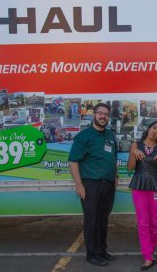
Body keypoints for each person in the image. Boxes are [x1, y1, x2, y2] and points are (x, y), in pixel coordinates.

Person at [68, 103, 118, 267]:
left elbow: (113, 159)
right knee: (92, 221)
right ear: (94, 115)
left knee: (103, 220)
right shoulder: (84, 136)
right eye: (100, 113)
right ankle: (92, 254)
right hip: (91, 185)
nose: (103, 116)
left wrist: (115, 176)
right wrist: (79, 185)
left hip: (108, 185)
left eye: (106, 114)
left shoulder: (110, 136)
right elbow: (73, 161)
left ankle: (102, 250)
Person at [127, 121, 157, 270]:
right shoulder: (135, 145)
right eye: (154, 128)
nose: (155, 132)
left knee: (154, 223)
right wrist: (133, 153)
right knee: (143, 222)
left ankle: (151, 252)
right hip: (139, 186)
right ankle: (148, 257)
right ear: (149, 128)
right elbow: (130, 167)